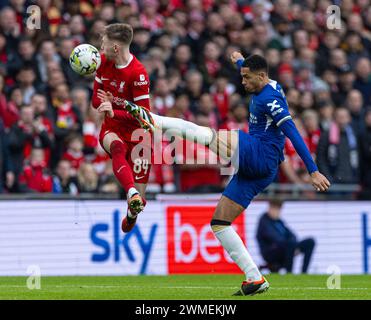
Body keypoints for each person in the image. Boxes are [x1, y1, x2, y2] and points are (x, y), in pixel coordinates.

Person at [101, 53, 330, 296]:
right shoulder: (266, 82)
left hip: (261, 153)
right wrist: (240, 61)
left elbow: (293, 132)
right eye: (242, 76)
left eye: (246, 78)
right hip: (261, 170)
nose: (242, 82)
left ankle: (153, 119)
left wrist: (312, 170)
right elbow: (251, 71)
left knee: (205, 135)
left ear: (261, 76)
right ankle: (255, 278)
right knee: (220, 223)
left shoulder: (271, 98)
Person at [91, 23, 152, 233]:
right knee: (117, 148)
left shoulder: (138, 74)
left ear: (115, 47)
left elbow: (145, 117)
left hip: (138, 136)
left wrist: (114, 109)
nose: (100, 48)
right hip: (113, 129)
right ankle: (131, 192)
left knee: (139, 203)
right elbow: (94, 102)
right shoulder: (102, 64)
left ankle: (132, 211)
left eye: (104, 44)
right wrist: (104, 103)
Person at [256, 199, 316, 274]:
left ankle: (304, 273)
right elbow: (274, 238)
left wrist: (294, 246)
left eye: (279, 209)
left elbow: (292, 235)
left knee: (310, 242)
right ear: (270, 208)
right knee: (290, 244)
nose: (277, 212)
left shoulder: (279, 222)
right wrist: (291, 245)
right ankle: (289, 273)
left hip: (286, 248)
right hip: (270, 253)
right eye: (275, 209)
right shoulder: (264, 221)